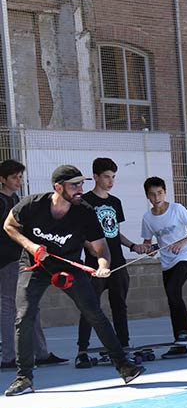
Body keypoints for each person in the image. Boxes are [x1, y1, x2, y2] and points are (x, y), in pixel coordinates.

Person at [3, 165, 145, 396]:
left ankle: (124, 366)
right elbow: (9, 225)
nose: (80, 189)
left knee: (94, 313)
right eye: (74, 185)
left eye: (81, 184)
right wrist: (31, 247)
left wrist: (102, 266)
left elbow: (101, 250)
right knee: (24, 317)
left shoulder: (85, 212)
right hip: (35, 266)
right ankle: (24, 377)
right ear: (58, 187)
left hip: (69, 268)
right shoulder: (33, 204)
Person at [75, 158, 148, 369]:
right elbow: (80, 233)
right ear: (96, 177)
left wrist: (133, 246)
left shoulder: (115, 202)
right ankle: (82, 351)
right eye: (106, 176)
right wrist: (91, 247)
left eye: (113, 177)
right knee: (89, 307)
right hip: (95, 264)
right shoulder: (84, 201)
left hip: (118, 262)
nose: (110, 181)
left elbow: (114, 231)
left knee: (120, 306)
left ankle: (123, 347)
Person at [0, 160, 68, 370]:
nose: (19, 181)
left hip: (22, 258)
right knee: (8, 306)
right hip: (6, 260)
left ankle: (41, 352)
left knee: (31, 304)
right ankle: (9, 356)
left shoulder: (15, 198)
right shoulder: (1, 201)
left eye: (20, 177)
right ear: (2, 180)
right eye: (14, 177)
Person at [140, 176, 187, 358]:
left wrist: (182, 243)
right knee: (172, 298)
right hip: (167, 262)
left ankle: (185, 332)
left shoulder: (177, 209)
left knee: (174, 290)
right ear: (147, 196)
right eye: (152, 194)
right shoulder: (148, 218)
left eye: (160, 193)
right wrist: (147, 249)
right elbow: (148, 243)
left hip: (185, 255)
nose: (157, 197)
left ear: (165, 193)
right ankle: (179, 343)